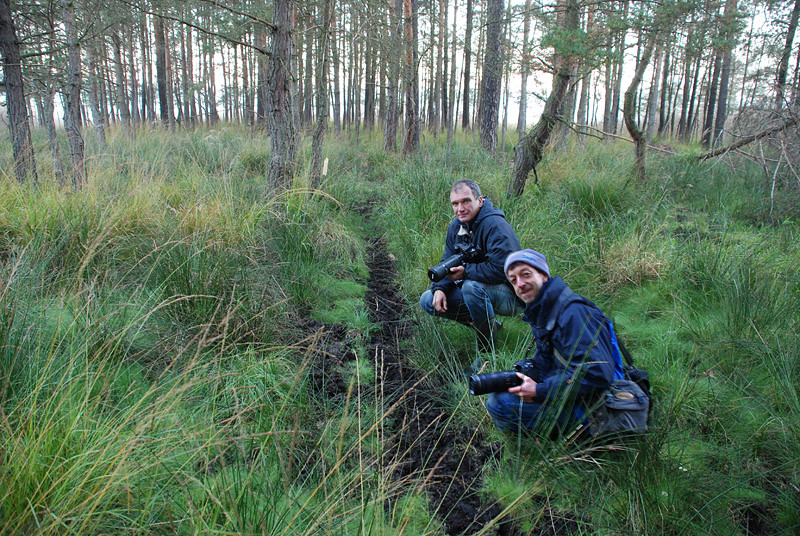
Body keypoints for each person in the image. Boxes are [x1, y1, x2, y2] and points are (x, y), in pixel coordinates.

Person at [485, 249, 622, 435]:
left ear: (543, 275)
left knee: (499, 404)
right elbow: (549, 363)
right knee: (501, 392)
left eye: (526, 275)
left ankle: (581, 445)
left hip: (596, 409)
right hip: (576, 396)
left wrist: (539, 391)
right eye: (513, 280)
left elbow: (597, 374)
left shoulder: (574, 313)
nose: (520, 284)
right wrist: (523, 375)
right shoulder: (545, 310)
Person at [419, 179, 523, 356]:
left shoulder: (495, 226)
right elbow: (448, 259)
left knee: (471, 287)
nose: (460, 208)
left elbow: (502, 270)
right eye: (455, 203)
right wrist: (439, 288)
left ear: (480, 201)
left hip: (512, 295)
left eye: (466, 201)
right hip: (481, 289)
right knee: (428, 300)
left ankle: (486, 354)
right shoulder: (456, 225)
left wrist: (465, 273)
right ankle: (491, 326)